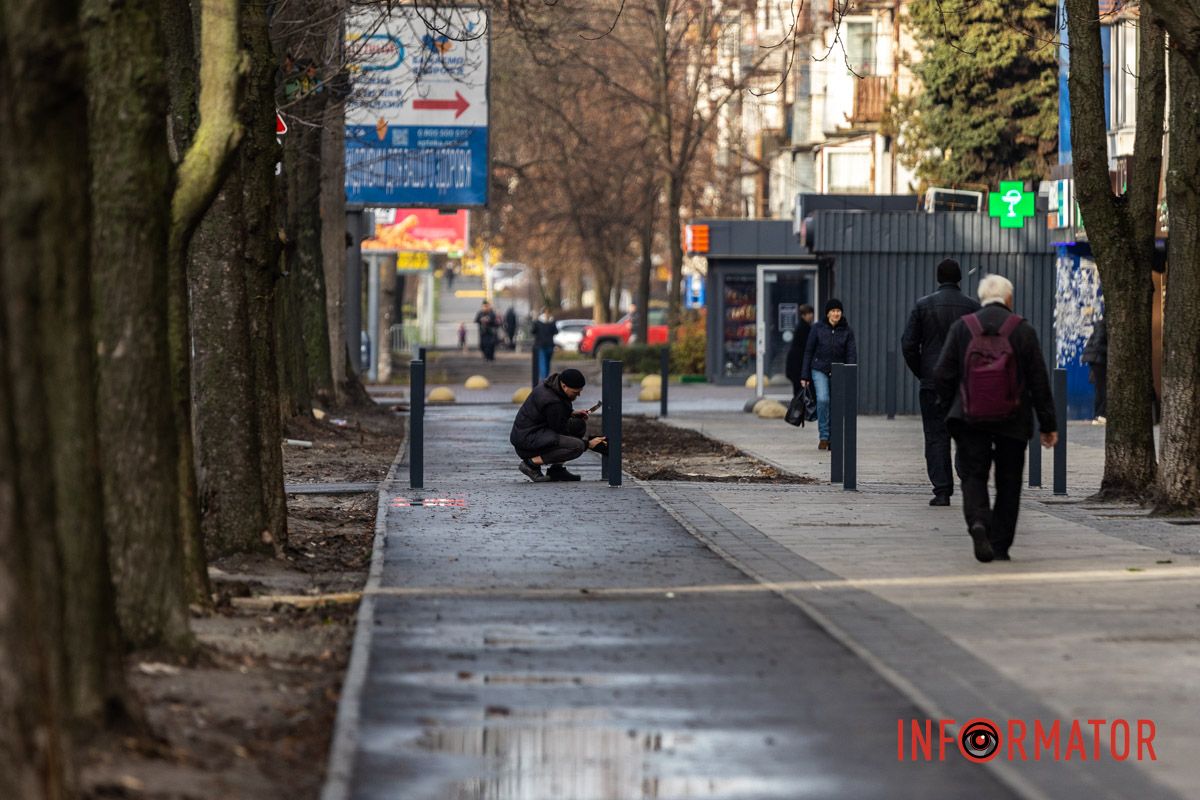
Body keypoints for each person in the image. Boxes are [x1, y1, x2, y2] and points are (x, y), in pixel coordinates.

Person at [934, 274, 1057, 563]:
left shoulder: (963, 329)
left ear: (980, 298)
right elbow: (1039, 380)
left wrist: (952, 406)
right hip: (1013, 420)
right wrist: (1048, 425)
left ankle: (978, 521)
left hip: (970, 418)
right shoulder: (1022, 330)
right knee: (1009, 481)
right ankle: (1000, 545)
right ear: (1009, 298)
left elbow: (942, 374)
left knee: (973, 474)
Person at [901, 258, 981, 506]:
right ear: (959, 278)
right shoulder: (973, 307)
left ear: (938, 278)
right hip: (964, 382)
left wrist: (923, 371)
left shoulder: (922, 306)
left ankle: (942, 490)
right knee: (965, 432)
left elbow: (909, 345)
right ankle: (965, 475)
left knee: (935, 435)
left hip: (933, 381)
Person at [510, 368, 607, 482]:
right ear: (564, 386)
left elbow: (549, 414)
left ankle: (556, 470)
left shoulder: (552, 386)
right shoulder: (552, 401)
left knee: (578, 426)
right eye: (575, 392)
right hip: (527, 443)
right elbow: (560, 430)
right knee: (577, 447)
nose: (579, 395)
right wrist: (588, 444)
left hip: (532, 434)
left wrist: (572, 413)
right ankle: (530, 464)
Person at [800, 299, 858, 450]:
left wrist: (850, 371)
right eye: (833, 311)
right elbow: (808, 351)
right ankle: (824, 436)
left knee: (836, 404)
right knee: (824, 399)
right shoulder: (817, 328)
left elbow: (851, 354)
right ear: (827, 313)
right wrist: (804, 376)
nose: (836, 313)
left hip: (839, 371)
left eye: (838, 311)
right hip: (819, 369)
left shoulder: (847, 331)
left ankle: (834, 437)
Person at [785, 304, 816, 398]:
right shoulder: (804, 328)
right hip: (798, 366)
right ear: (803, 315)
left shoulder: (804, 327)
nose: (811, 315)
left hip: (797, 366)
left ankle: (798, 411)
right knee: (800, 392)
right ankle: (798, 411)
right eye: (809, 313)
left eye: (811, 313)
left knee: (800, 392)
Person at [1081, 315, 1107, 424]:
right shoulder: (1102, 325)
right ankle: (1099, 415)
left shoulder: (1102, 324)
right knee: (1103, 389)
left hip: (1098, 361)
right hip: (1098, 361)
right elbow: (1097, 344)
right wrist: (1111, 350)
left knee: (1100, 389)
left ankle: (1098, 416)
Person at [532, 308, 558, 382]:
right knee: (547, 362)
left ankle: (544, 379)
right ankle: (546, 377)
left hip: (541, 345)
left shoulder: (537, 322)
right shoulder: (552, 322)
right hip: (550, 344)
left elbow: (533, 331)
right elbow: (556, 331)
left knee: (542, 362)